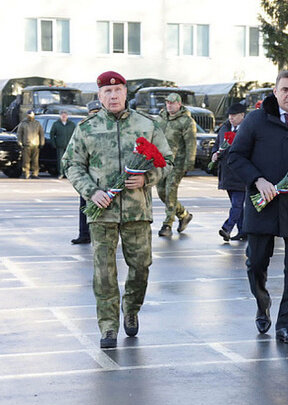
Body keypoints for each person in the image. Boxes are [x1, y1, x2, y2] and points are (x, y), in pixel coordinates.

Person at [63, 71, 173, 348]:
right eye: (107, 93)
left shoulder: (146, 125)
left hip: (137, 212)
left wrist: (147, 178)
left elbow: (168, 161)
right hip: (103, 214)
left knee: (140, 267)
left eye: (118, 91)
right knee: (104, 272)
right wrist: (92, 191)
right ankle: (108, 326)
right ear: (99, 96)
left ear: (126, 93)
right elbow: (71, 165)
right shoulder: (86, 128)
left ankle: (131, 309)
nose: (113, 96)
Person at [227, 70, 288, 344]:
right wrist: (257, 180)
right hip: (262, 205)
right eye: (285, 90)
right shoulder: (256, 121)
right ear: (275, 91)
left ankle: (286, 325)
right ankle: (262, 302)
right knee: (255, 263)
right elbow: (235, 157)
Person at [156, 93, 196, 237]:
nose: (169, 105)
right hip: (160, 162)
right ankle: (184, 214)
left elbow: (191, 144)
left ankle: (167, 224)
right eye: (167, 103)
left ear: (179, 104)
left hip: (176, 163)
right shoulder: (160, 118)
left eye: (172, 103)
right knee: (162, 193)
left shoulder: (186, 121)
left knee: (170, 190)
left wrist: (189, 163)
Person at [213, 103, 247, 242]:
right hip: (226, 173)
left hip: (240, 174)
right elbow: (217, 144)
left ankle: (227, 228)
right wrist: (215, 153)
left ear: (242, 116)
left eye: (234, 116)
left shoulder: (247, 130)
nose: (231, 118)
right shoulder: (224, 128)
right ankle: (243, 230)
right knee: (237, 206)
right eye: (230, 115)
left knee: (237, 204)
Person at [71, 101, 102, 245]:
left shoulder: (108, 127)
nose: (94, 115)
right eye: (92, 112)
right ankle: (84, 234)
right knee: (84, 205)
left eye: (97, 112)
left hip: (104, 174)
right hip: (87, 174)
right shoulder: (82, 128)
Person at [17, 110, 45, 179]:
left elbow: (41, 134)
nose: (30, 116)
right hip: (26, 144)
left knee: (35, 161)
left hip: (36, 144)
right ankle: (26, 173)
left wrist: (42, 143)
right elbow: (19, 134)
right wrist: (19, 142)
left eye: (31, 115)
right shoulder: (23, 123)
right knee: (26, 161)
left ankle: (35, 174)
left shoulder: (37, 123)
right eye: (29, 115)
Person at [50, 110, 76, 179]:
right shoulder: (56, 124)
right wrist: (54, 143)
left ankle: (68, 174)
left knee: (69, 160)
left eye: (65, 115)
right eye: (62, 115)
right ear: (60, 116)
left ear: (67, 116)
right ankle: (61, 173)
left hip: (69, 146)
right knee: (60, 160)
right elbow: (52, 134)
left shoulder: (72, 124)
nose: (64, 116)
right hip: (60, 145)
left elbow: (76, 135)